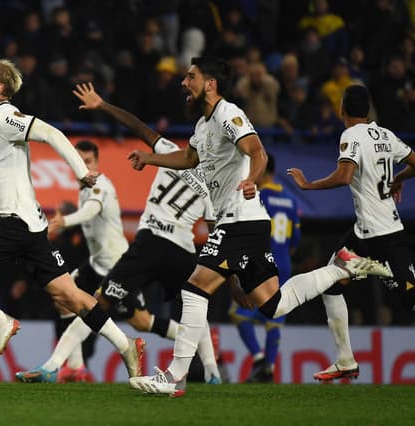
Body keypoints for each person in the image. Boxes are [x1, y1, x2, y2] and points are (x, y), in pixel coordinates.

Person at [126, 57, 392, 397]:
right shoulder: (204, 125)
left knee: (194, 289)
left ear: (210, 83)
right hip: (245, 223)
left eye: (190, 76)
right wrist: (151, 160)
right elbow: (189, 159)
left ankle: (174, 376)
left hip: (240, 217)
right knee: (272, 304)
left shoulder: (228, 113)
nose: (183, 82)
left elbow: (258, 152)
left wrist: (251, 179)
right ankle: (340, 267)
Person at [0, 56, 144, 378]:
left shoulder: (4, 116)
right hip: (31, 226)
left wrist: (82, 172)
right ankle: (126, 344)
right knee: (68, 295)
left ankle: (1, 322)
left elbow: (51, 133)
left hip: (13, 222)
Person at [15, 82, 222, 384]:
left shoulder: (167, 152)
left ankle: (53, 366)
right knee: (193, 303)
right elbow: (214, 228)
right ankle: (213, 372)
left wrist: (102, 105)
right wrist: (216, 261)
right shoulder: (213, 184)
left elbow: (138, 126)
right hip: (181, 249)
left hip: (148, 243)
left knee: (98, 305)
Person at [287, 84, 415, 381]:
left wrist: (309, 185)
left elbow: (345, 176)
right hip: (374, 233)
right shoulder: (385, 134)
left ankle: (382, 272)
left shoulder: (350, 136)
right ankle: (345, 360)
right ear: (368, 110)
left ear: (342, 110)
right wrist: (400, 178)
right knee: (332, 283)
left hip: (377, 235)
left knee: (410, 298)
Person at [47, 139, 130, 382]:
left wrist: (65, 221)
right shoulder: (82, 188)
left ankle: (196, 340)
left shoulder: (100, 184)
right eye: (79, 162)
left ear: (97, 163)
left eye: (89, 162)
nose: (84, 167)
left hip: (117, 264)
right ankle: (75, 366)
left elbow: (92, 210)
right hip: (96, 264)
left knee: (143, 321)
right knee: (63, 295)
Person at [228, 154, 301, 383]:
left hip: (261, 263)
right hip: (284, 265)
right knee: (274, 319)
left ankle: (259, 358)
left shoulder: (258, 197)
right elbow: (295, 242)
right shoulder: (291, 200)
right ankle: (268, 368)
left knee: (238, 314)